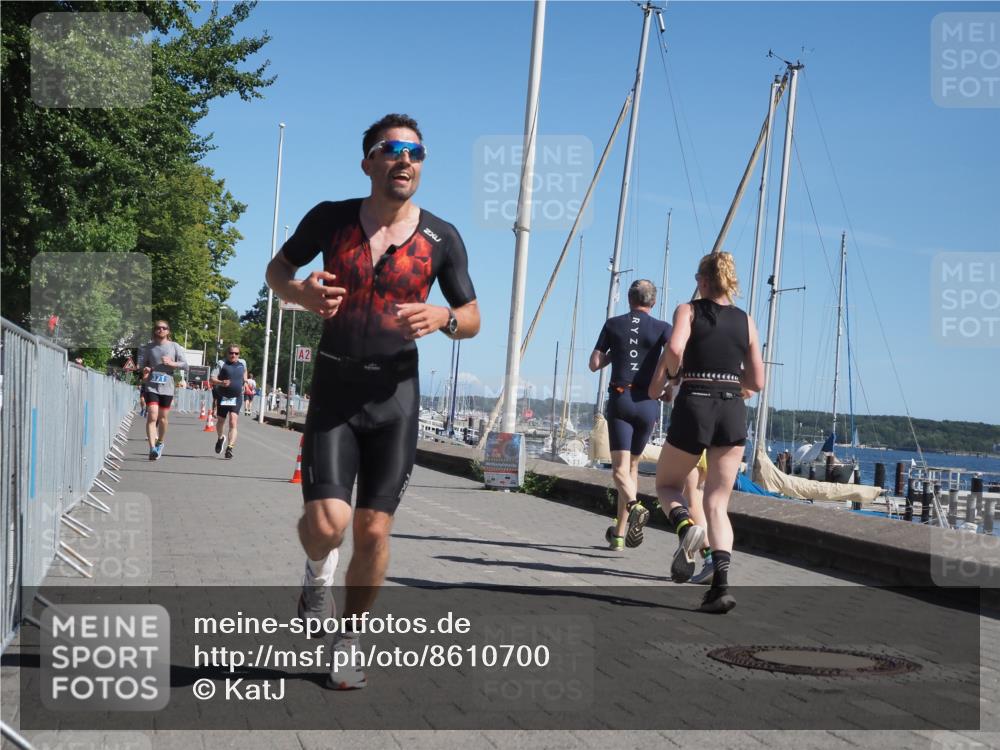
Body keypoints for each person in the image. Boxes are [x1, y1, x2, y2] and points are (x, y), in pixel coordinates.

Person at [265, 113, 480, 689]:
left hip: (396, 396)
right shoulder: (330, 220)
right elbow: (277, 272)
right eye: (392, 149)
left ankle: (350, 640)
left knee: (375, 530)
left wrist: (445, 317)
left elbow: (473, 317)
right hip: (335, 390)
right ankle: (316, 572)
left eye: (416, 151)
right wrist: (300, 294)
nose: (405, 159)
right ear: (369, 162)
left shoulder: (442, 238)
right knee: (325, 524)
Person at [648, 252, 764, 613]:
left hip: (695, 404)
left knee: (667, 484)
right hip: (731, 408)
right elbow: (757, 381)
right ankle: (721, 587)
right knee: (717, 503)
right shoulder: (746, 320)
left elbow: (675, 347)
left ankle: (685, 528)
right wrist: (732, 380)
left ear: (702, 280)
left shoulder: (689, 309)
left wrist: (670, 374)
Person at [589, 280, 670, 551]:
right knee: (632, 469)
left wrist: (615, 352)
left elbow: (594, 364)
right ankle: (619, 536)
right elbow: (676, 356)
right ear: (653, 302)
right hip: (648, 403)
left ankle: (635, 507)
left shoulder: (613, 324)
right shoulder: (662, 328)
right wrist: (670, 385)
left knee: (619, 471)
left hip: (622, 400)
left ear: (628, 299)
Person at [137, 320, 188, 460]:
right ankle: (152, 448)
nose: (161, 330)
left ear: (168, 331)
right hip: (152, 386)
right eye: (158, 328)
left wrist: (172, 363)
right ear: (154, 330)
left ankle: (160, 442)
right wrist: (145, 370)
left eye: (163, 328)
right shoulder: (148, 348)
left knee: (163, 418)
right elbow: (141, 365)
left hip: (167, 386)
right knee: (152, 415)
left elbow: (186, 365)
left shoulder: (174, 346)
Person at [210, 345, 246, 459]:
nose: (233, 355)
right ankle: (221, 438)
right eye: (231, 353)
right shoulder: (221, 363)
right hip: (223, 397)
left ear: (239, 354)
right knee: (220, 421)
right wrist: (221, 382)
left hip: (236, 397)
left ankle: (230, 447)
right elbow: (211, 379)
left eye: (236, 353)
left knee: (233, 421)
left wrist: (244, 381)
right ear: (227, 353)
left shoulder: (242, 363)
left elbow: (245, 371)